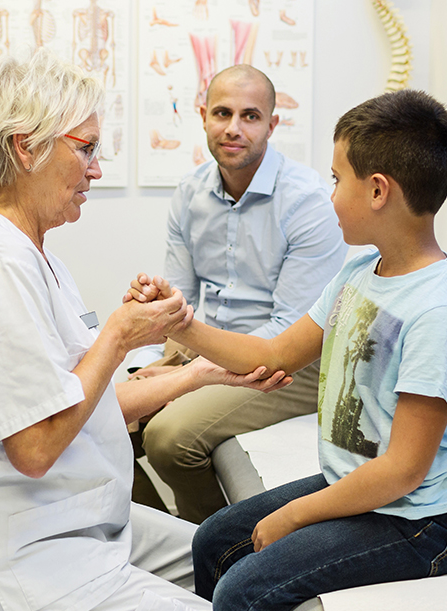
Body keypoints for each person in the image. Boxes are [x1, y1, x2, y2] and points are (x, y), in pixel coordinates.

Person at [0, 49, 290, 611]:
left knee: (242, 562)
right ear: (23, 147)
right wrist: (117, 335)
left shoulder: (33, 255)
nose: (96, 168)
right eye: (83, 148)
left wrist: (199, 374)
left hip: (69, 519)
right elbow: (35, 447)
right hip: (19, 554)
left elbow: (81, 403)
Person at [127, 89, 447, 611]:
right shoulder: (359, 274)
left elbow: (404, 469)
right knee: (213, 541)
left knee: (243, 595)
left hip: (426, 520)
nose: (330, 193)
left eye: (337, 179)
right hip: (368, 487)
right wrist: (181, 323)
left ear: (377, 191)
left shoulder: (437, 312)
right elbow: (272, 354)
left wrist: (293, 515)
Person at [127, 64, 346, 524]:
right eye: (222, 113)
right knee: (97, 422)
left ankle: (211, 550)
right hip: (210, 347)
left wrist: (192, 376)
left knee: (168, 437)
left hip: (292, 362)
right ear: (202, 115)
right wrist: (155, 324)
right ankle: (161, 536)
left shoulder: (307, 202)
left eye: (250, 116)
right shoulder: (189, 195)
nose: (233, 128)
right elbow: (178, 306)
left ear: (272, 124)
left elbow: (288, 332)